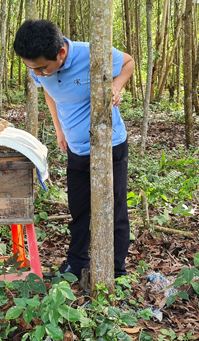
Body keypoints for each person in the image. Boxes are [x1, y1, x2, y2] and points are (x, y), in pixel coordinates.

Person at [13, 19, 135, 281]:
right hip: (76, 149)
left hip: (109, 146)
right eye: (33, 69)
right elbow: (47, 90)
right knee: (79, 209)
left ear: (61, 53)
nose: (39, 73)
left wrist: (117, 86)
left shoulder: (92, 53)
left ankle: (115, 271)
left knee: (114, 210)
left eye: (43, 68)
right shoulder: (39, 69)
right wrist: (59, 129)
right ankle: (76, 263)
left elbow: (128, 62)